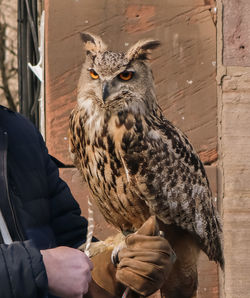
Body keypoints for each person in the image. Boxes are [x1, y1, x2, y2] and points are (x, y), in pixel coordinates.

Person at [0, 105, 175, 298]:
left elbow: (69, 236)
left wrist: (113, 265)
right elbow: (48, 267)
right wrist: (36, 269)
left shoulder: (19, 132)